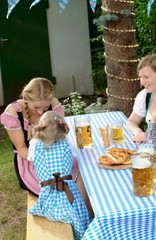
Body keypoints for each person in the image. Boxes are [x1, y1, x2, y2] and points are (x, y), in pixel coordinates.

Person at [0, 77, 78, 196]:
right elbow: (21, 149)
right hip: (31, 160)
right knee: (55, 191)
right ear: (26, 98)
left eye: (45, 107)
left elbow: (61, 134)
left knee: (80, 183)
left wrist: (59, 157)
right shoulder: (14, 112)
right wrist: (47, 161)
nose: (41, 112)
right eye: (36, 107)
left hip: (56, 154)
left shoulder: (54, 104)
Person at [27, 111, 92, 240]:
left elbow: (30, 158)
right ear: (64, 131)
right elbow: (74, 160)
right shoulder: (66, 145)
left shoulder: (35, 146)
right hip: (68, 192)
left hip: (47, 197)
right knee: (80, 210)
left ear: (39, 131)